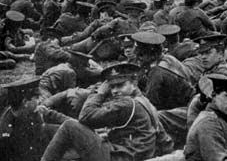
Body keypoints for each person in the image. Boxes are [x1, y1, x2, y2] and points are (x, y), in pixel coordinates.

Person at [40, 63, 174, 161]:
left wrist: (100, 92)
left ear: (134, 84)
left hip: (121, 156)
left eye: (120, 85)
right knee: (63, 132)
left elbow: (85, 116)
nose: (115, 90)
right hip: (133, 153)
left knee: (69, 127)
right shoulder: (143, 100)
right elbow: (162, 135)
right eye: (112, 86)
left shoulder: (126, 103)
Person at [131, 31, 195, 110]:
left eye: (141, 56)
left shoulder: (157, 72)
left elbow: (151, 104)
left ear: (149, 54)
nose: (139, 60)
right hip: (187, 102)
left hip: (182, 109)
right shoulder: (168, 58)